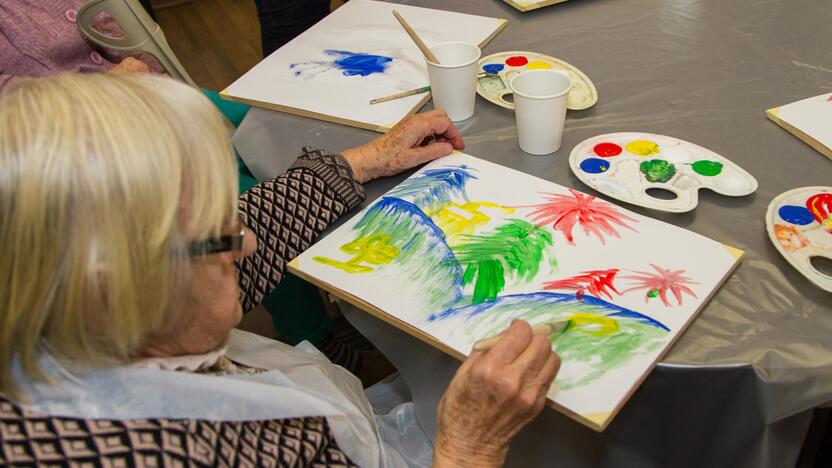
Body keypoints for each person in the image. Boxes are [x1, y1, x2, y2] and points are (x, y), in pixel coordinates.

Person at [0, 73, 561, 467]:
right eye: (218, 239)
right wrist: (467, 448)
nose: (244, 242)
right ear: (114, 282)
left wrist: (366, 161)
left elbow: (241, 231)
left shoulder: (77, 294)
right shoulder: (158, 449)